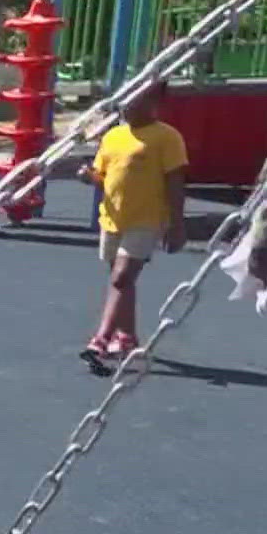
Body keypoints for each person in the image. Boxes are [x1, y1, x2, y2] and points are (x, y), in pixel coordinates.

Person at [75, 82, 188, 373]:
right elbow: (105, 176)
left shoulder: (167, 137)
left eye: (135, 101)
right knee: (120, 281)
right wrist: (89, 177)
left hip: (146, 220)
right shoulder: (113, 136)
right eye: (125, 102)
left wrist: (176, 224)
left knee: (121, 278)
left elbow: (175, 182)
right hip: (112, 219)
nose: (127, 107)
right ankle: (127, 336)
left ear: (153, 103)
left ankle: (100, 340)